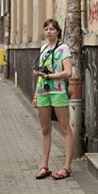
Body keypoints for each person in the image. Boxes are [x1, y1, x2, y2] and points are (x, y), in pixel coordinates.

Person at [33, 18, 74, 180]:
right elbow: (41, 74)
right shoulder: (43, 48)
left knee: (65, 129)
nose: (49, 32)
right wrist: (36, 94)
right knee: (45, 129)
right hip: (43, 90)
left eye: (52, 29)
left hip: (58, 90)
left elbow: (68, 72)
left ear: (58, 32)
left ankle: (67, 166)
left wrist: (49, 75)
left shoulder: (63, 48)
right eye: (46, 29)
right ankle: (44, 166)